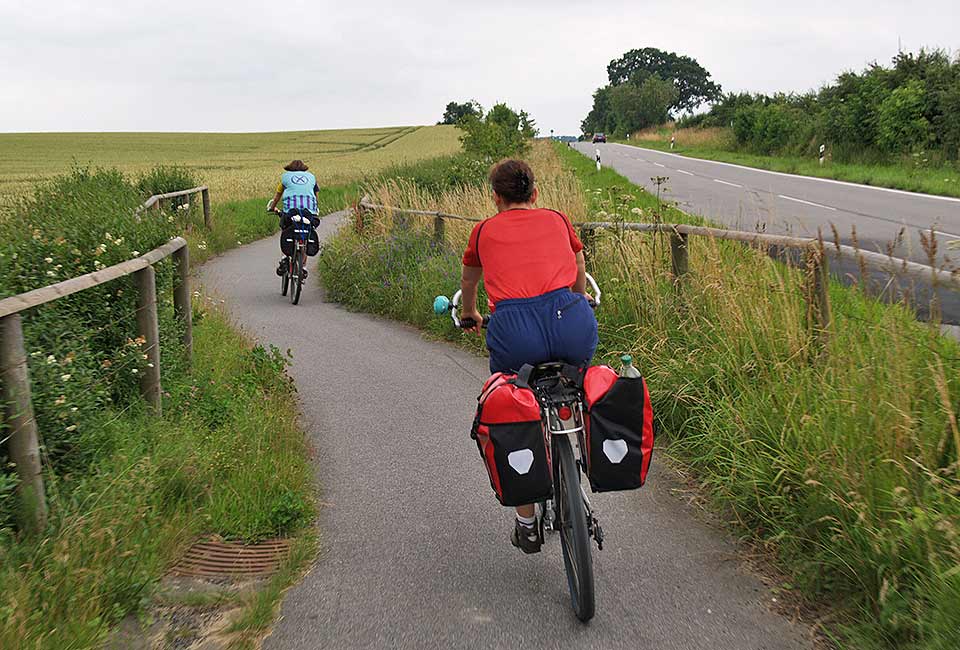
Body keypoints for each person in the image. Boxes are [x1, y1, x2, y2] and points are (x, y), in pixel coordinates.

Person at [459, 159, 598, 554]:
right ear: (534, 194)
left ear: (496, 198)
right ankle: (585, 447)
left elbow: (470, 279)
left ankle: (526, 523)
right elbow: (578, 264)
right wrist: (576, 296)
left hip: (514, 336)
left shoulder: (483, 231)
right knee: (577, 380)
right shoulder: (557, 218)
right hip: (572, 322)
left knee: (513, 408)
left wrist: (470, 314)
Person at [268, 160, 321, 277]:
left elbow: (277, 196)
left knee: (286, 229)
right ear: (304, 169)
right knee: (306, 234)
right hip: (309, 211)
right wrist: (315, 208)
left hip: (291, 211)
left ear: (290, 169)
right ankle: (304, 267)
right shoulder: (312, 177)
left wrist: (272, 208)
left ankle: (284, 258)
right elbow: (316, 196)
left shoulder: (285, 178)